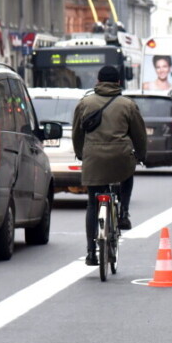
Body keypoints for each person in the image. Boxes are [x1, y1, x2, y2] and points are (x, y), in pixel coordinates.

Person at [72, 65, 147, 266]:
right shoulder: (127, 105)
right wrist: (141, 155)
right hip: (120, 157)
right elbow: (139, 134)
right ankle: (123, 213)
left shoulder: (85, 103)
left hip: (93, 158)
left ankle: (90, 252)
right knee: (128, 173)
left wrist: (81, 154)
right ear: (118, 82)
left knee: (92, 203)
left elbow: (77, 134)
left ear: (98, 81)